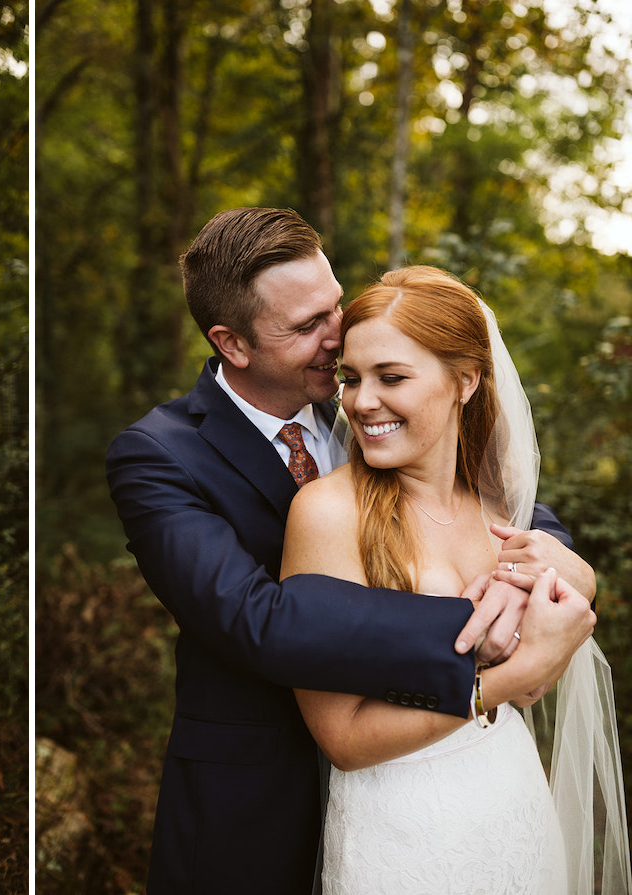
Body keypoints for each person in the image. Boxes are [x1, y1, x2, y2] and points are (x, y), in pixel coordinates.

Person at [105, 207, 597, 894]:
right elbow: (259, 621)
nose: (338, 338)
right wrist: (480, 639)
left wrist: (562, 568)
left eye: (334, 305)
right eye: (308, 326)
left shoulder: (368, 407)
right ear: (233, 342)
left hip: (440, 788)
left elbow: (500, 508)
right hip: (257, 797)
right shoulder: (159, 454)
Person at [281, 265, 629, 894]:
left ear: (465, 380)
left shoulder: (504, 515)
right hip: (397, 827)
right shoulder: (328, 513)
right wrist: (512, 677)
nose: (361, 402)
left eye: (392, 378)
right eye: (352, 379)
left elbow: (546, 658)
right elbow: (344, 739)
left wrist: (577, 581)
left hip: (511, 801)